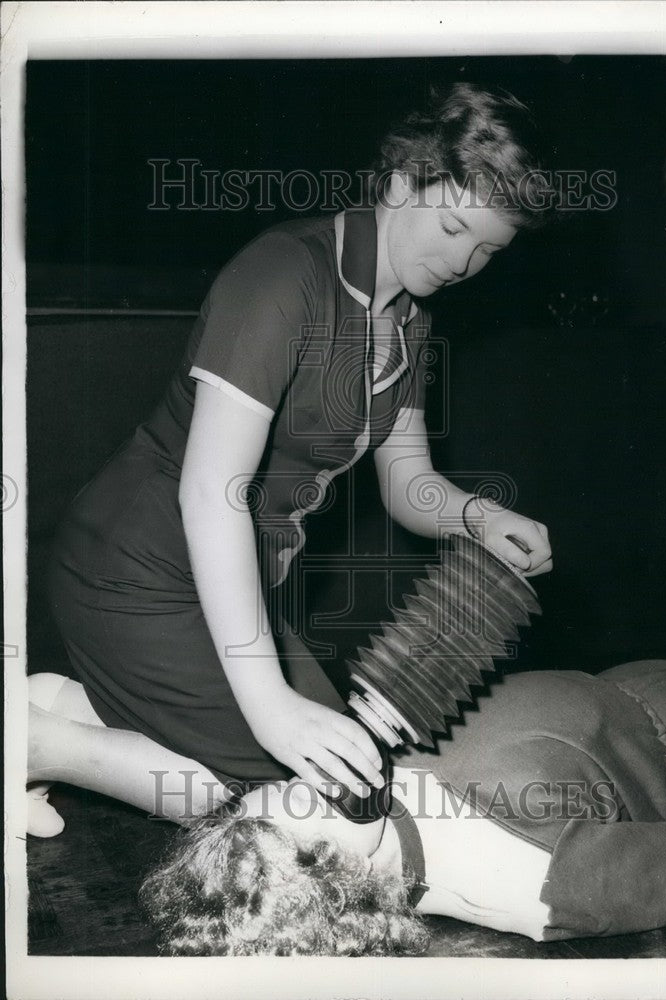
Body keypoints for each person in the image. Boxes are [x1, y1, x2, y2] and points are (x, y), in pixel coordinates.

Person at [31, 82, 555, 835]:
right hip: (135, 569)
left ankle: (54, 706)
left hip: (233, 587)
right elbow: (211, 492)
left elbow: (409, 484)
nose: (464, 262)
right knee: (296, 804)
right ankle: (34, 745)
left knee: (356, 779)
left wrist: (479, 517)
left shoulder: (410, 321)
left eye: (489, 250)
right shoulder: (283, 275)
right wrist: (271, 706)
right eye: (453, 227)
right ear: (400, 183)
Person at [27, 657, 666, 953]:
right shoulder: (539, 884)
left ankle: (42, 733)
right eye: (304, 809)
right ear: (341, 896)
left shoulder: (352, 805)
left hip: (629, 679)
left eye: (263, 804)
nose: (304, 782)